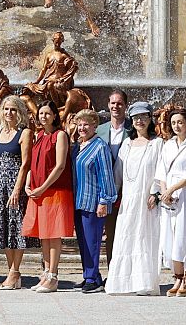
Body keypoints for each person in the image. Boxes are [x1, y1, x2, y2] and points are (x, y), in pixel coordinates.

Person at [105, 102, 163, 296]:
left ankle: (144, 283)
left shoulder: (157, 143)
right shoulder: (126, 144)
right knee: (126, 236)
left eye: (144, 117)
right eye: (136, 117)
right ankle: (123, 283)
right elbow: (118, 173)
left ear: (150, 119)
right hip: (129, 199)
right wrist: (111, 195)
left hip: (147, 200)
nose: (140, 121)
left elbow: (160, 171)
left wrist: (155, 193)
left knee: (145, 238)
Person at [22, 100, 74, 293]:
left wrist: (43, 186)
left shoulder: (59, 135)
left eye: (47, 113)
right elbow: (32, 164)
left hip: (55, 190)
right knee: (44, 234)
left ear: (54, 116)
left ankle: (53, 275)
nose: (43, 116)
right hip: (38, 191)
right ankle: (45, 273)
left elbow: (60, 165)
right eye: (41, 113)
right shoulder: (39, 135)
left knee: (53, 234)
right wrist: (28, 183)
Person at [0, 95, 38, 290]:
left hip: (15, 185)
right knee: (6, 229)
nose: (9, 113)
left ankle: (15, 271)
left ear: (20, 112)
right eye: (6, 109)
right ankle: (12, 273)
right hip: (0, 185)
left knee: (17, 230)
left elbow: (25, 163)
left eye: (13, 110)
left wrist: (17, 189)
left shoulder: (25, 133)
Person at [157, 107, 186, 297]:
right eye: (174, 122)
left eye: (180, 122)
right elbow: (161, 171)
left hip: (185, 196)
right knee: (169, 235)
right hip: (168, 198)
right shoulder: (167, 145)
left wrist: (172, 189)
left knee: (184, 235)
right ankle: (176, 276)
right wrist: (164, 192)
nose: (177, 126)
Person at [71, 108, 117, 294]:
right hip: (79, 200)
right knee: (83, 241)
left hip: (93, 201)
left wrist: (104, 200)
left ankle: (92, 279)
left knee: (93, 241)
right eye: (79, 124)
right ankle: (91, 275)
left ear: (95, 125)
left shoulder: (100, 146)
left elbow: (106, 174)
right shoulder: (79, 145)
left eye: (86, 124)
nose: (82, 128)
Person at [96, 89, 132, 273]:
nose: (115, 106)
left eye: (119, 103)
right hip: (105, 191)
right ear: (108, 105)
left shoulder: (134, 130)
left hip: (129, 189)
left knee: (128, 233)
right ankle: (112, 273)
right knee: (110, 234)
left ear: (125, 106)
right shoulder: (100, 130)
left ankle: (128, 273)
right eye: (113, 103)